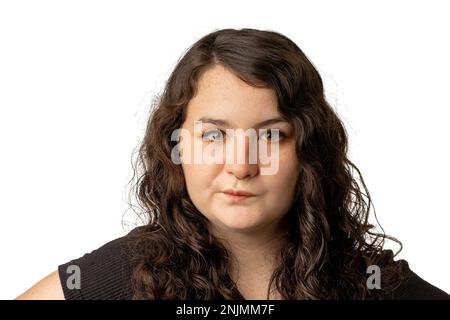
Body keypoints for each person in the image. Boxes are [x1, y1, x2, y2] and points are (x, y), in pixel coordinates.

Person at [16, 28, 449, 300]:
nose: (241, 166)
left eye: (271, 135)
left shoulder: (370, 285)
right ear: (178, 146)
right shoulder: (125, 275)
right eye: (214, 135)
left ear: (308, 151)